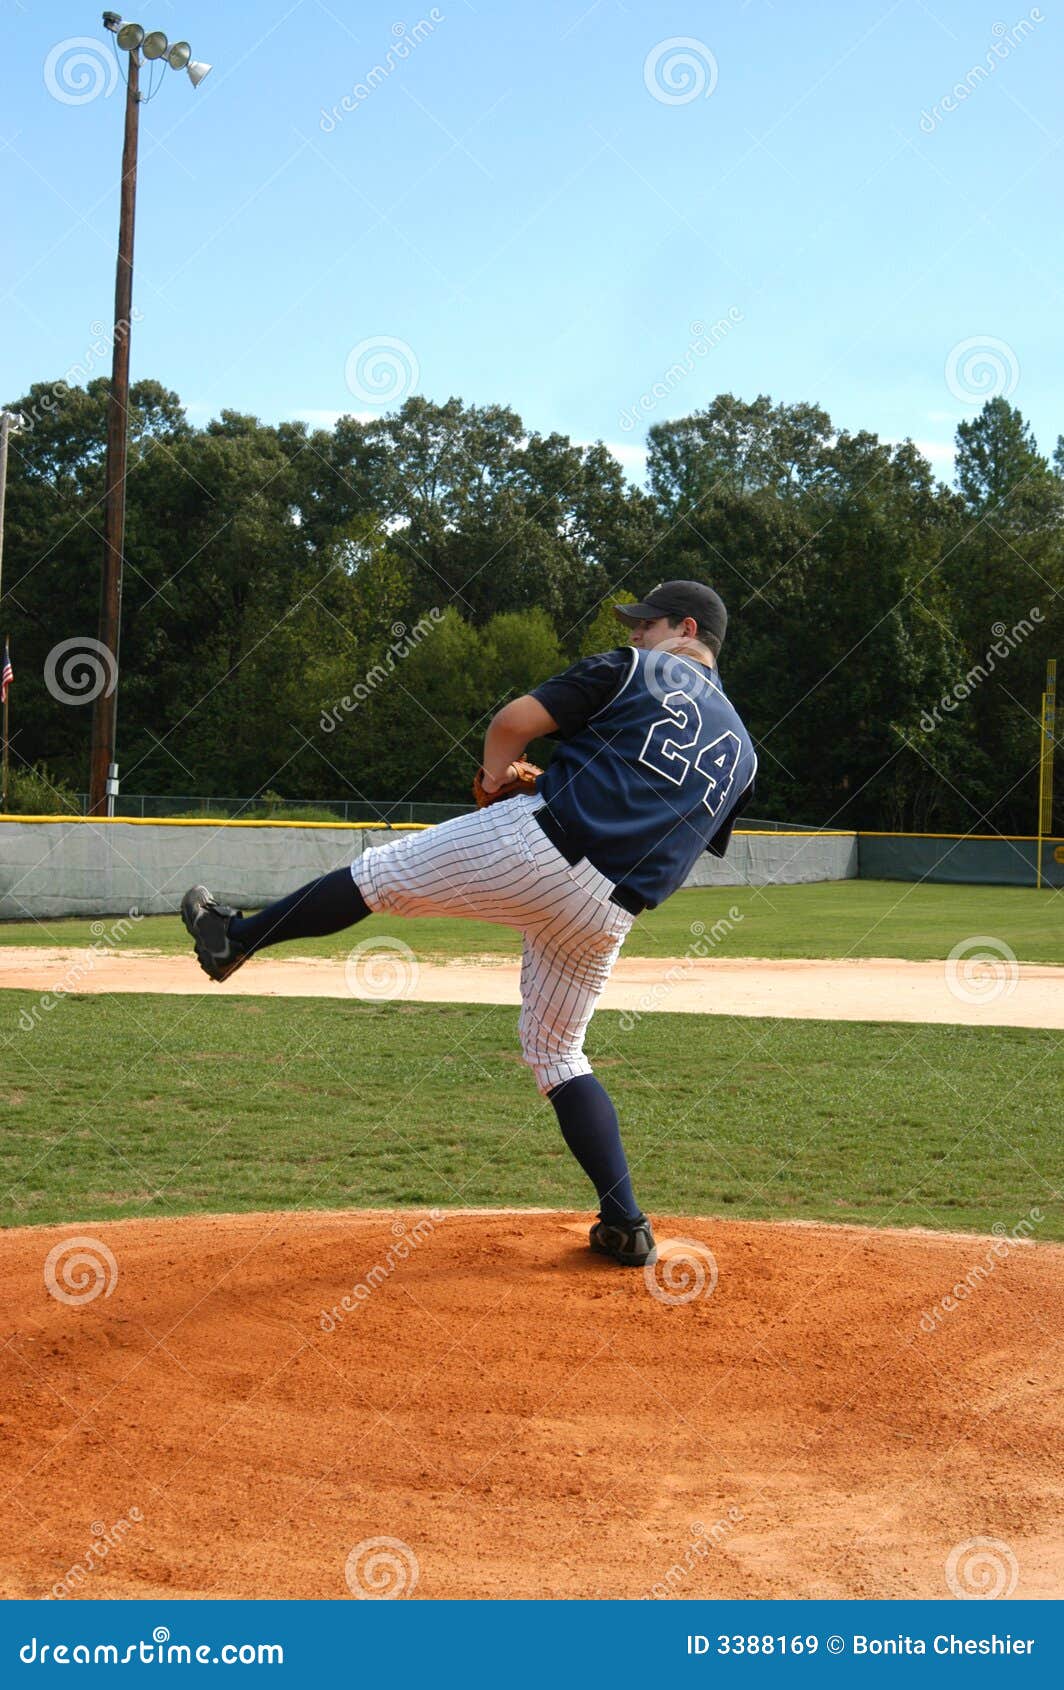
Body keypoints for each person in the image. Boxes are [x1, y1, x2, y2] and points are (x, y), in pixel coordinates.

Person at [182, 581, 756, 1267]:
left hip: (539, 845)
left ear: (685, 627)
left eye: (646, 622)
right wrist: (550, 786)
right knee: (558, 1054)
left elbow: (510, 722)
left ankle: (231, 939)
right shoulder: (745, 755)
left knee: (377, 878)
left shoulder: (635, 668)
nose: (635, 633)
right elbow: (651, 811)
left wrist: (493, 782)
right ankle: (625, 1223)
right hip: (610, 910)